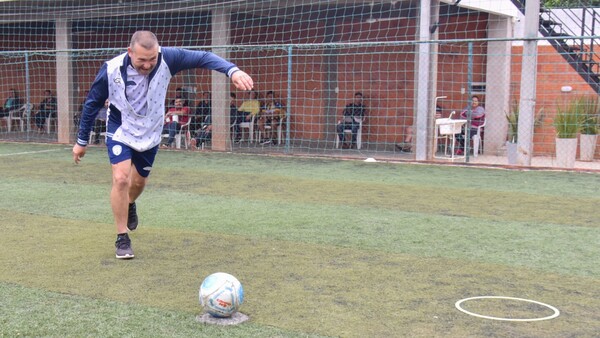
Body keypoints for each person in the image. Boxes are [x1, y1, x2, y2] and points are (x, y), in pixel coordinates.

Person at [72, 31, 253, 259]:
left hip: (151, 130)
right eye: (141, 60)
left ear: (157, 52)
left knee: (137, 183)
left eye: (152, 59)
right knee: (121, 178)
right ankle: (122, 238)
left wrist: (232, 70)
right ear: (130, 52)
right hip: (121, 129)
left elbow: (203, 57)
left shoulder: (169, 57)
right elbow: (91, 104)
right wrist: (81, 141)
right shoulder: (111, 69)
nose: (147, 64)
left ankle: (129, 203)